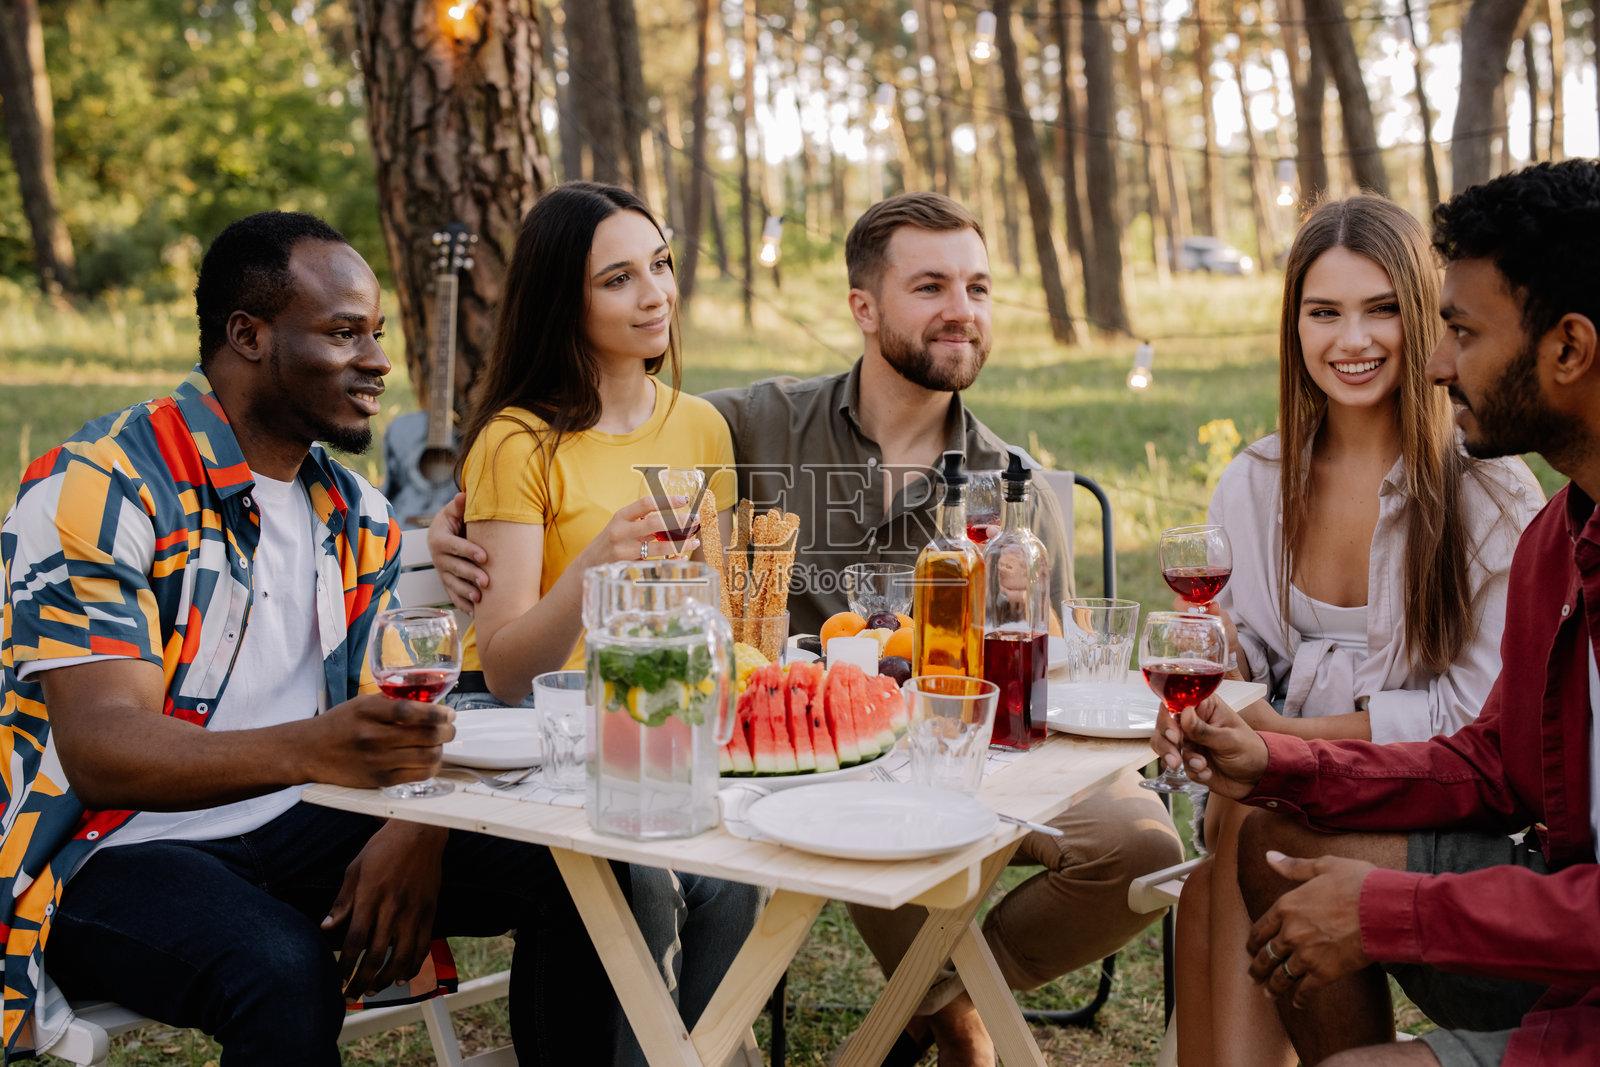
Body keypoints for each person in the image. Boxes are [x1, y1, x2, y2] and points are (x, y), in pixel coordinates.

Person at [433, 190, 1182, 1067]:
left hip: (964, 746)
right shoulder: (756, 423)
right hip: (816, 758)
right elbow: (589, 435)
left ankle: (937, 998)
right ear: (863, 308)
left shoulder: (1012, 486)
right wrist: (453, 522)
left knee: (1141, 850)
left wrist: (1023, 610)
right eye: (931, 285)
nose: (962, 311)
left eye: (978, 288)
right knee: (821, 845)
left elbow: (1048, 663)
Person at [0, 211, 612, 1064]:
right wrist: (318, 753)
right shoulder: (100, 485)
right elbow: (102, 747)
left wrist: (415, 829)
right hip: (115, 846)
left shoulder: (355, 513)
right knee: (282, 969)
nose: (378, 360)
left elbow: (387, 712)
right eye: (344, 332)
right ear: (248, 336)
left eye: (377, 333)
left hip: (305, 820)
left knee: (580, 874)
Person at [1157, 158, 1600, 1067]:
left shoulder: (1501, 500)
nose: (1436, 364)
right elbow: (1494, 755)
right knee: (1261, 831)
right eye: (1323, 311)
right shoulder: (1562, 536)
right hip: (1557, 907)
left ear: (1568, 349)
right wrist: (1273, 753)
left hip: (1567, 940)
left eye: (1457, 330)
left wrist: (1383, 906)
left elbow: (1469, 738)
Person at [443, 181, 762, 1067]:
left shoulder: (700, 426)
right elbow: (504, 667)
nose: (655, 294)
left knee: (736, 884)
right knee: (647, 883)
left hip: (661, 723)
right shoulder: (517, 441)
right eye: (618, 278)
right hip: (536, 739)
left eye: (659, 265)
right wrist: (597, 566)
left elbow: (718, 616)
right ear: (563, 300)